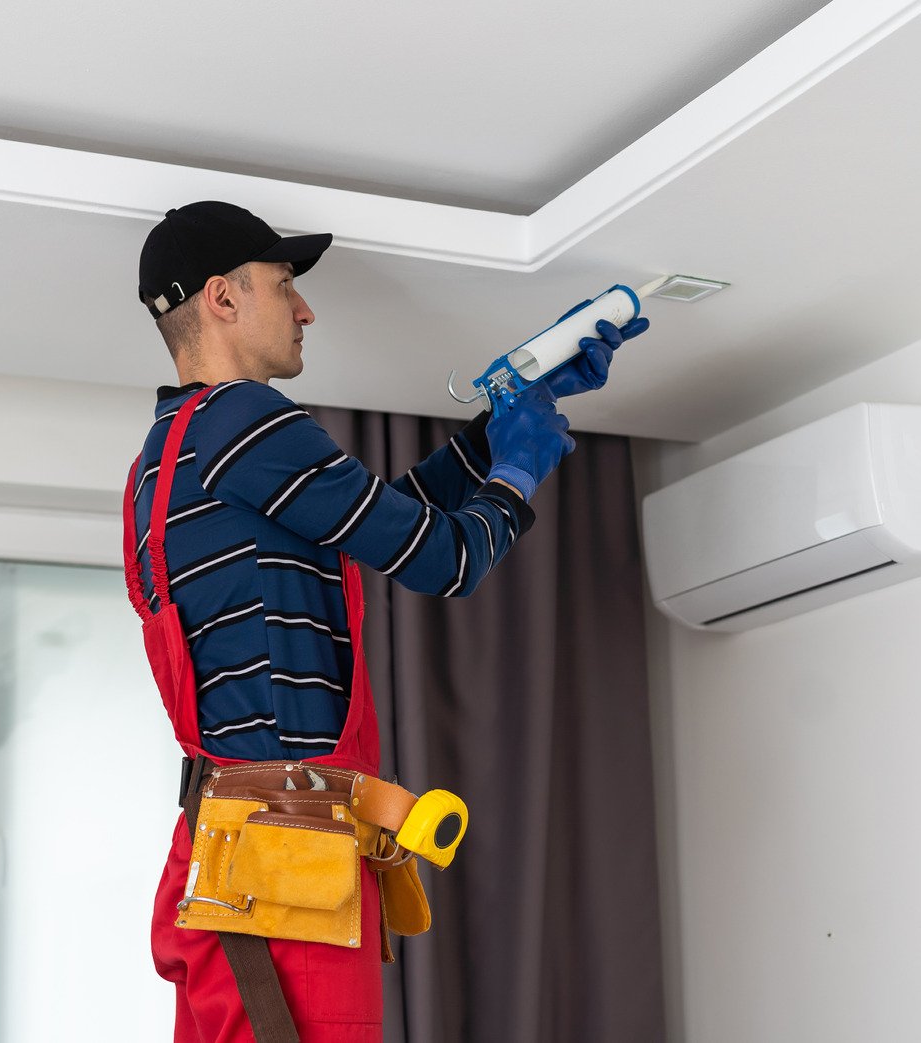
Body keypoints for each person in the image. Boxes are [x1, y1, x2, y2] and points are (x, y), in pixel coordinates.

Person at [124, 200, 646, 1042]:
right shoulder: (248, 421)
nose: (305, 309)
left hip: (228, 856)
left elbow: (380, 519)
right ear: (222, 298)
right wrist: (518, 469)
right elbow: (446, 560)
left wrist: (492, 433)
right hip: (283, 862)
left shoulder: (169, 452)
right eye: (285, 285)